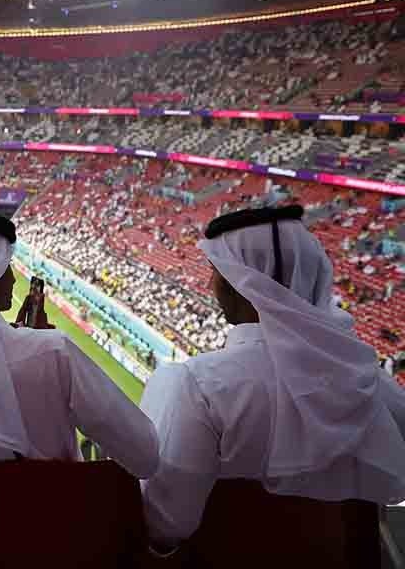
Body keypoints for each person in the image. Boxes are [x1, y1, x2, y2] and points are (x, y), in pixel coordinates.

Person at [140, 205, 405, 553]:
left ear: (243, 282)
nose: (209, 284)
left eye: (215, 272)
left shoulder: (196, 385)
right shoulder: (378, 387)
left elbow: (165, 524)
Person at [0, 207, 159, 550]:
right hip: (62, 543)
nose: (11, 279)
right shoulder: (53, 353)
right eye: (4, 267)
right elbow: (144, 454)